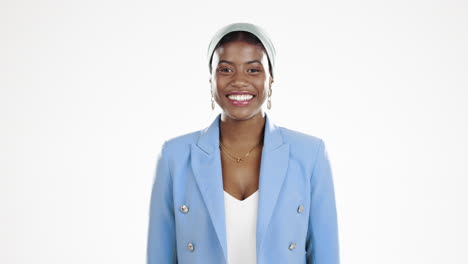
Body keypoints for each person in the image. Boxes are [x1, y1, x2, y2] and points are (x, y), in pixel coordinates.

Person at [147, 22, 340, 264]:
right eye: (226, 70)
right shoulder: (174, 156)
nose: (239, 81)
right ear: (211, 80)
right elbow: (158, 256)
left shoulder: (310, 154)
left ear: (271, 80)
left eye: (253, 70)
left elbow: (326, 256)